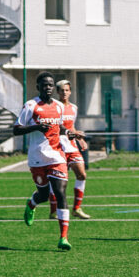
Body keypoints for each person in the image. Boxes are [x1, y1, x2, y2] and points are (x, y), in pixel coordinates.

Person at [13, 72, 77, 251]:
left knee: (60, 193)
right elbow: (16, 130)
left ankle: (63, 237)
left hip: (57, 156)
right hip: (37, 158)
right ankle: (31, 203)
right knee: (43, 195)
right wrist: (36, 127)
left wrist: (69, 133)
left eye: (50, 85)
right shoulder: (31, 105)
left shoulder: (58, 106)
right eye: (45, 85)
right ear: (38, 87)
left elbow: (60, 127)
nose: (48, 87)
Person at [48, 80, 91, 220]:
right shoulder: (55, 107)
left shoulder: (74, 108)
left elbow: (71, 126)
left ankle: (76, 208)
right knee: (59, 182)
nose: (64, 93)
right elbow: (55, 128)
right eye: (61, 90)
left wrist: (80, 139)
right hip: (58, 147)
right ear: (57, 92)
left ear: (70, 91)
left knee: (82, 175)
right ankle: (54, 210)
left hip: (71, 146)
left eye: (67, 90)